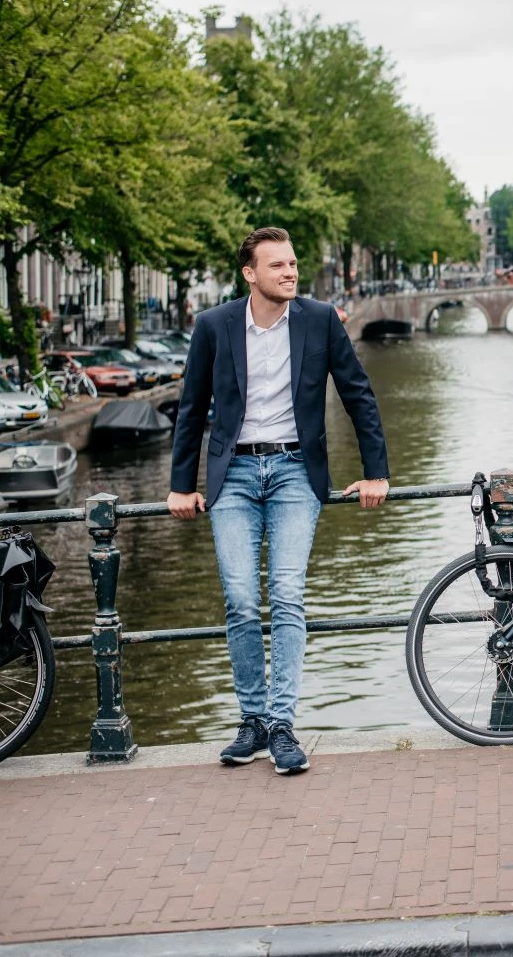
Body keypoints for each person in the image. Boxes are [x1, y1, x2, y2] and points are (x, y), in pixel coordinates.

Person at [168, 227, 391, 776]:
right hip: (234, 474)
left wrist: (375, 473)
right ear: (250, 274)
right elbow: (191, 408)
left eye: (293, 264)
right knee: (242, 599)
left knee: (287, 594)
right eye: (278, 266)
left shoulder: (318, 320)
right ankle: (253, 720)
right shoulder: (214, 326)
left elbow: (358, 393)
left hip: (295, 470)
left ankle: (284, 724)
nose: (291, 273)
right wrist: (180, 483)